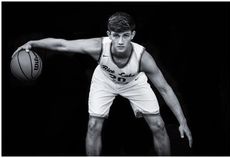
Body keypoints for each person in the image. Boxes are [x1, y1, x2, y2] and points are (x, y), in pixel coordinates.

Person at [12, 12, 192, 156]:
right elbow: (63, 45)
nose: (120, 41)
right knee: (93, 125)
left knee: (159, 126)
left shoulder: (143, 58)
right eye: (116, 36)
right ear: (109, 35)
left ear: (132, 35)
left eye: (125, 35)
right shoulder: (97, 46)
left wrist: (182, 121)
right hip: (105, 80)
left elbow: (164, 88)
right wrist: (32, 42)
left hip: (133, 81)